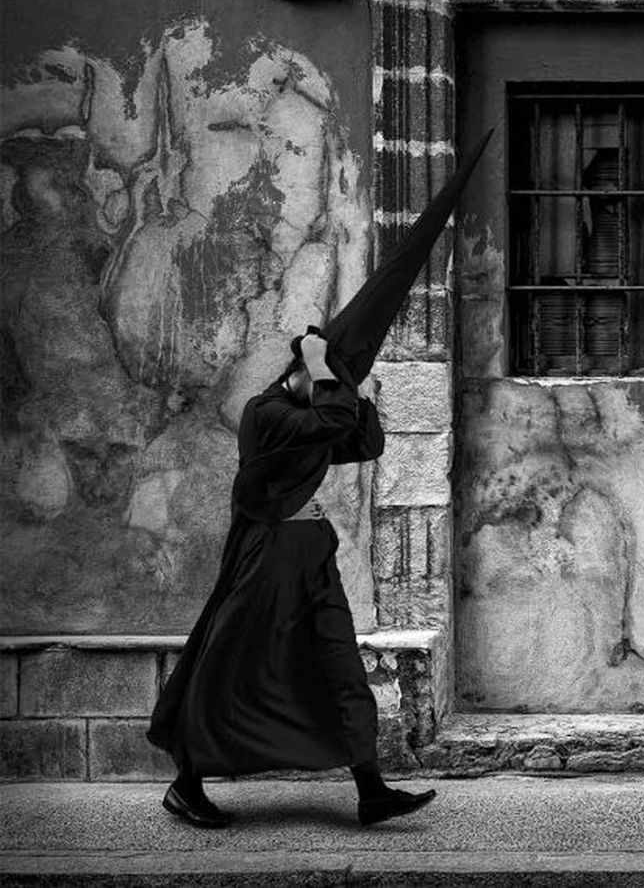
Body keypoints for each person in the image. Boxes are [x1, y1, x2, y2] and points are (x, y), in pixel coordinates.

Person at [148, 330, 435, 828]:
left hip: (312, 556)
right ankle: (186, 784)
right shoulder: (266, 413)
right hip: (267, 555)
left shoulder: (313, 417)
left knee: (340, 660)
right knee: (231, 662)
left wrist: (354, 388)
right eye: (323, 377)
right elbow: (333, 418)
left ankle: (371, 789)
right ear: (300, 370)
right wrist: (320, 359)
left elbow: (364, 442)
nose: (331, 385)